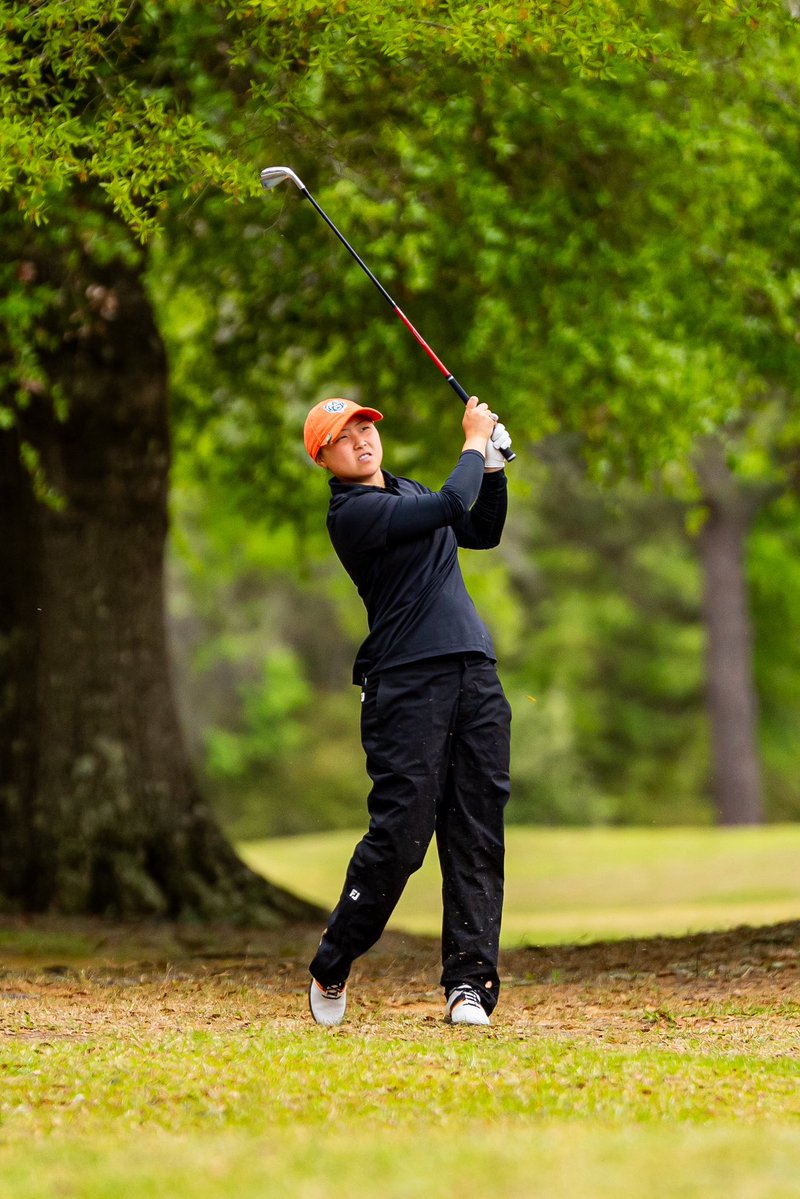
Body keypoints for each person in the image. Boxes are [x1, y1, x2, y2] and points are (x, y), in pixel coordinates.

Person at [302, 393, 513, 1028]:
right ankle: (334, 960)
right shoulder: (355, 514)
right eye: (344, 436)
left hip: (473, 671)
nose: (361, 439)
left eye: (366, 426)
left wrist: (495, 471)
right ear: (324, 459)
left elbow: (481, 528)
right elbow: (453, 504)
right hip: (406, 683)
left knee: (476, 833)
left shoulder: (407, 490)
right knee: (401, 835)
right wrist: (475, 441)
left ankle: (469, 986)